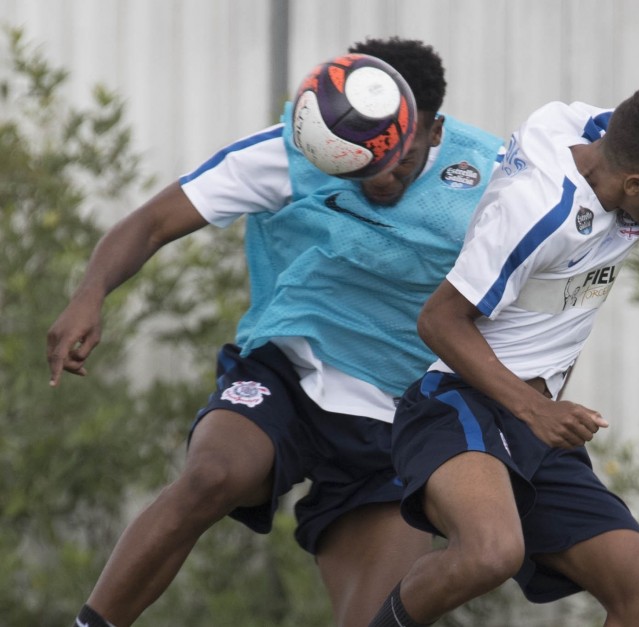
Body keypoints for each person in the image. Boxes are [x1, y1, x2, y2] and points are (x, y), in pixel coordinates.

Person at [46, 37, 506, 627]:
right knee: (214, 474)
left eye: (396, 162)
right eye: (357, 164)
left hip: (401, 418)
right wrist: (90, 293)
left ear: (431, 130)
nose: (377, 179)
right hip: (288, 373)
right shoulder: (295, 151)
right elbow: (155, 220)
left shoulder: (493, 181)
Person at [366, 84, 639, 627]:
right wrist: (535, 409)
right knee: (491, 553)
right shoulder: (539, 213)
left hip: (535, 430)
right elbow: (438, 320)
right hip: (460, 405)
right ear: (635, 182)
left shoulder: (588, 133)